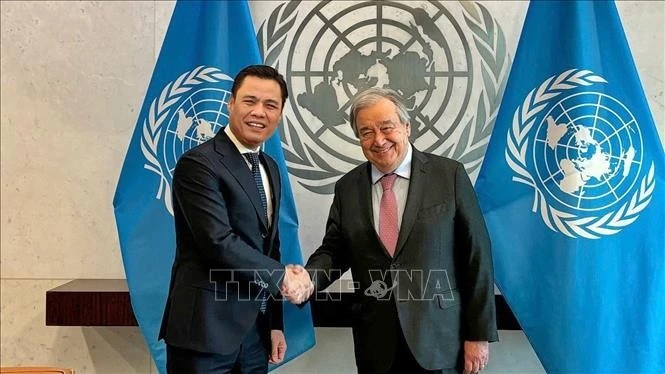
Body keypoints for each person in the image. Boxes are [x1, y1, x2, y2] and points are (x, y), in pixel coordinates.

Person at [304, 88, 498, 374]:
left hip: (441, 340)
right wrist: (306, 280)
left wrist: (479, 334)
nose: (378, 140)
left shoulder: (449, 175)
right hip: (377, 341)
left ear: (407, 127)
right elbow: (335, 250)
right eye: (366, 132)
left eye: (386, 127)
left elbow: (477, 256)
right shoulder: (347, 188)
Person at [159, 65, 312, 374]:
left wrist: (274, 324)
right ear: (230, 103)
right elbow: (218, 241)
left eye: (271, 105)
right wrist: (283, 276)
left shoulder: (269, 166)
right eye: (249, 101)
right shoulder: (199, 164)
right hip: (205, 333)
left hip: (254, 336)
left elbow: (270, 249)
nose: (259, 112)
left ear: (280, 113)